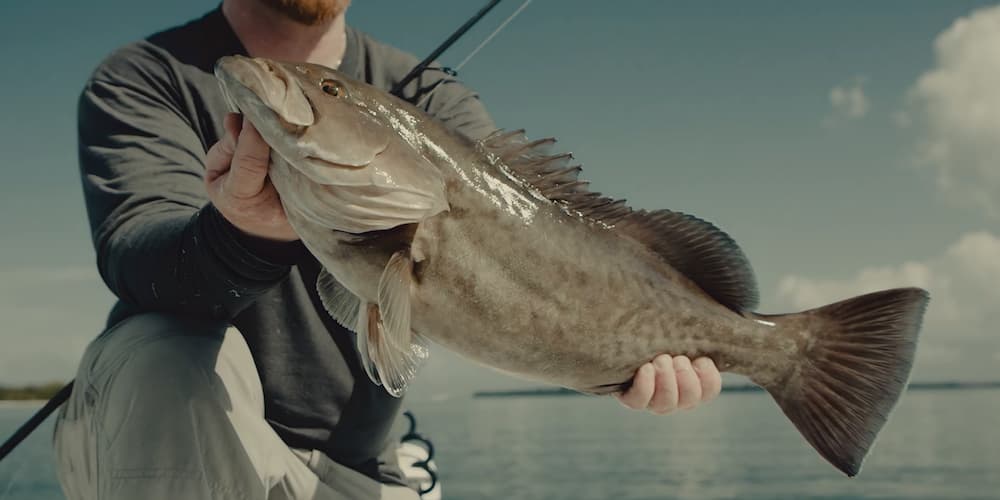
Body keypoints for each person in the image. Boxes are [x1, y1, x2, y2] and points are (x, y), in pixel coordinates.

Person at [53, 0, 724, 498]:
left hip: (360, 470)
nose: (317, 92)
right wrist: (243, 227)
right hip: (168, 444)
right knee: (160, 360)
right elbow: (138, 260)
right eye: (330, 95)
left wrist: (625, 353)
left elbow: (534, 254)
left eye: (331, 94)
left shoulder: (432, 97)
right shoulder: (145, 77)